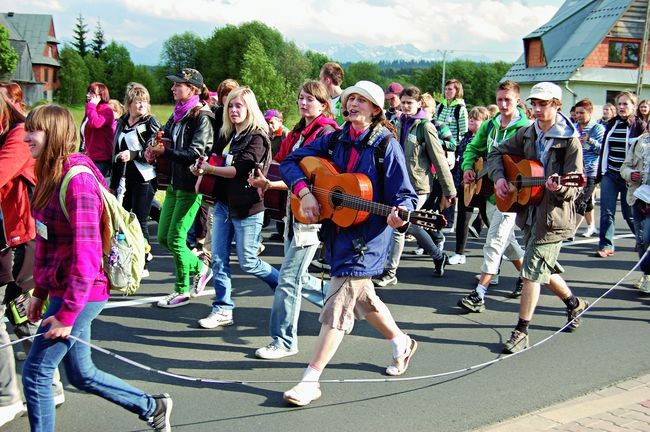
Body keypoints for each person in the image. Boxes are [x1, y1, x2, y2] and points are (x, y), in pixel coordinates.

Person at [21, 104, 173, 432]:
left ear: (55, 135)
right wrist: (40, 292)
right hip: (63, 289)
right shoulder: (48, 177)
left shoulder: (77, 183)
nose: (26, 137)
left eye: (33, 130)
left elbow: (88, 257)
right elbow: (47, 242)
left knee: (36, 375)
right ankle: (152, 405)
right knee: (80, 373)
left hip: (83, 292)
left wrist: (67, 313)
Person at [280, 80, 419, 406]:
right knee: (363, 299)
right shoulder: (334, 140)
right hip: (339, 230)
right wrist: (305, 191)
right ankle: (401, 342)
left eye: (361, 100)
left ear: (374, 109)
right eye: (350, 99)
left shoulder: (386, 145)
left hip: (369, 238)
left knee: (339, 303)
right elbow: (289, 162)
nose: (353, 104)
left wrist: (403, 213)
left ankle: (311, 379)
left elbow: (405, 195)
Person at [487, 82, 589, 353]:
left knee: (530, 271)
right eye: (535, 103)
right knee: (542, 266)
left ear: (557, 104)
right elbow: (496, 152)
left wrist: (561, 187)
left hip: (553, 218)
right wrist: (499, 179)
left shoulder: (570, 142)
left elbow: (576, 185)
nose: (538, 109)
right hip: (529, 211)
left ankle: (521, 331)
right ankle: (574, 303)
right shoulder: (528, 133)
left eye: (544, 104)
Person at [248, 80, 339, 359]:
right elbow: (288, 170)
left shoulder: (328, 133)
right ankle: (339, 300)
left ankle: (284, 341)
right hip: (293, 211)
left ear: (324, 104)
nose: (303, 103)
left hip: (311, 217)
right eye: (300, 98)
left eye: (309, 99)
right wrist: (268, 183)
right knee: (296, 276)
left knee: (288, 278)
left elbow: (324, 179)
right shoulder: (297, 132)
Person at [192, 86, 279, 328]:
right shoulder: (230, 135)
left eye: (238, 105)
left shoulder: (258, 137)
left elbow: (239, 170)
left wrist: (211, 170)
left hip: (248, 208)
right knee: (218, 259)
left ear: (250, 108)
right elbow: (218, 162)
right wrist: (202, 169)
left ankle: (284, 287)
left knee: (249, 261)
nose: (233, 110)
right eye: (230, 105)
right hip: (223, 205)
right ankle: (222, 309)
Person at [457, 80, 529, 313]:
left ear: (517, 100)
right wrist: (469, 167)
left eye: (508, 99)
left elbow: (531, 164)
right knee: (506, 243)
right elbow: (473, 149)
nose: (504, 104)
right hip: (489, 193)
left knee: (494, 241)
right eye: (500, 99)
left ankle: (479, 294)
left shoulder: (526, 128)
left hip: (512, 195)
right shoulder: (490, 125)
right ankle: (528, 273)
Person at [373, 85, 454, 287]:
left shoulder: (425, 126)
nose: (407, 106)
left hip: (418, 186)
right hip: (397, 185)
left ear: (419, 104)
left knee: (399, 225)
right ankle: (438, 255)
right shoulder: (397, 122)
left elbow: (439, 159)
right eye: (404, 102)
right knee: (411, 225)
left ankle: (390, 272)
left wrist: (449, 190)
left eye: (411, 103)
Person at [147, 68, 214, 308]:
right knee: (164, 237)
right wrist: (152, 147)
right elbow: (160, 136)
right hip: (174, 184)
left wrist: (165, 152)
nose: (173, 88)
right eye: (174, 84)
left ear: (193, 89)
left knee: (176, 238)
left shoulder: (202, 117)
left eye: (178, 85)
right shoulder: (178, 114)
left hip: (191, 186)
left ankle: (181, 289)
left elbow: (196, 153)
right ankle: (200, 267)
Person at [0, 92, 35, 427]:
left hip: (18, 241)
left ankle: (7, 397)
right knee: (19, 315)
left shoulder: (17, 134)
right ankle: (50, 384)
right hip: (7, 241)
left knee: (20, 314)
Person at [110, 83, 161, 277]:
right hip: (124, 177)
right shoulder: (122, 122)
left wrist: (133, 154)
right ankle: (127, 257)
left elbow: (153, 151)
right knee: (123, 218)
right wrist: (113, 185)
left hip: (144, 177)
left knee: (139, 219)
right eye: (138, 101)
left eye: (145, 101)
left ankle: (144, 260)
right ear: (129, 103)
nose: (141, 105)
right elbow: (114, 153)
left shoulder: (151, 123)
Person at [596, 91, 646, 257]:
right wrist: (600, 174)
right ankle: (606, 245)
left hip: (630, 178)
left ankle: (641, 240)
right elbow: (604, 149)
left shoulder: (639, 126)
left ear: (633, 106)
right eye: (619, 104)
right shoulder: (612, 124)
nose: (622, 107)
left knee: (629, 214)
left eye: (626, 104)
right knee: (607, 212)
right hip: (610, 173)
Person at [448, 106, 491, 265]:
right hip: (464, 183)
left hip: (481, 184)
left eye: (476, 118)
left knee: (489, 218)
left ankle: (503, 251)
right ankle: (459, 252)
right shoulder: (465, 137)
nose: (472, 120)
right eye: (470, 118)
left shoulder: (485, 140)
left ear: (485, 122)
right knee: (463, 218)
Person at [620, 133, 650, 294]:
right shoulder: (640, 141)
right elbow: (624, 167)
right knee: (641, 240)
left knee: (647, 237)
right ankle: (647, 275)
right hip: (637, 196)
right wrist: (631, 174)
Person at [573, 99, 604, 238]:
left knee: (582, 199)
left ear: (590, 112)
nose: (578, 116)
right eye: (577, 113)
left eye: (582, 112)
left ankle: (571, 231)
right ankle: (591, 226)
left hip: (591, 170)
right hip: (576, 169)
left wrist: (589, 140)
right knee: (586, 200)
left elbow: (602, 150)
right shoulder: (573, 127)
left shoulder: (598, 128)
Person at [80, 82, 115, 177]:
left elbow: (96, 123)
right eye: (88, 92)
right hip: (89, 157)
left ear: (100, 95)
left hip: (101, 159)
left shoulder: (106, 110)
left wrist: (91, 105)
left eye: (91, 93)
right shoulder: (91, 109)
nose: (88, 95)